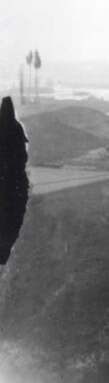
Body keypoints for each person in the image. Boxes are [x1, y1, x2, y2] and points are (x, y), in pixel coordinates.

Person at [0, 96, 29, 264]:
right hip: (15, 182)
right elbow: (23, 156)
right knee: (14, 217)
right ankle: (5, 255)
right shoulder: (17, 128)